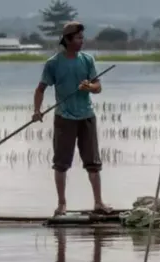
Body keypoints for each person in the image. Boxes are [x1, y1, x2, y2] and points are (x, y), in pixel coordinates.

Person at [32, 21, 112, 217]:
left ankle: (99, 203)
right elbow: (40, 89)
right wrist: (37, 110)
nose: (81, 41)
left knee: (93, 162)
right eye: (78, 38)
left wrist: (89, 87)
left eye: (82, 38)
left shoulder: (87, 60)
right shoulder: (53, 63)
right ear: (67, 40)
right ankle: (61, 204)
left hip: (86, 117)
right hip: (64, 118)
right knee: (61, 163)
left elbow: (98, 87)